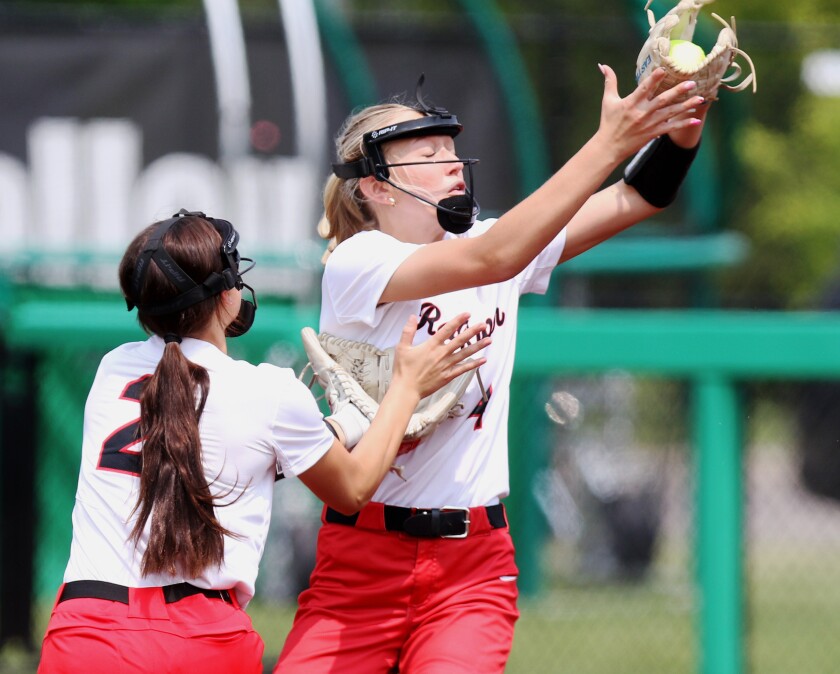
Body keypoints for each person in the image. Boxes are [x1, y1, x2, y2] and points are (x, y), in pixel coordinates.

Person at [275, 65, 712, 674]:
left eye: (451, 149)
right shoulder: (359, 261)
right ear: (375, 187)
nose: (452, 163)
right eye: (428, 153)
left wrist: (684, 119)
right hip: (361, 561)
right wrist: (608, 142)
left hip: (471, 568)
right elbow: (497, 255)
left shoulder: (492, 243)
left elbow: (638, 196)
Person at [37, 210, 489, 674]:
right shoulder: (269, 392)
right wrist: (405, 389)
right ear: (226, 295)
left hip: (83, 633)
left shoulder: (112, 369)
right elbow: (352, 489)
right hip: (200, 640)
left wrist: (344, 425)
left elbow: (207, 448)